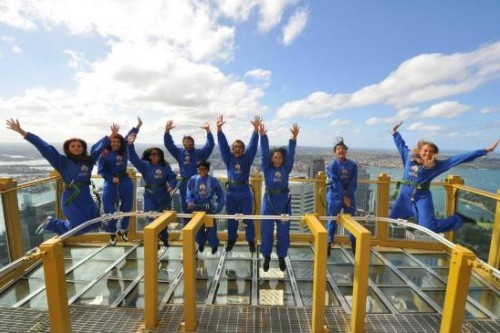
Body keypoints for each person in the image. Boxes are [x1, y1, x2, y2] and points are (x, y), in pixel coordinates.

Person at [6, 118, 115, 235]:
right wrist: (22, 131)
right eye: (72, 146)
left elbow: (98, 149)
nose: (76, 147)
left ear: (83, 148)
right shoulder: (61, 161)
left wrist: (112, 135)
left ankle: (102, 225)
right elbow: (44, 147)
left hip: (86, 197)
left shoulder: (88, 160)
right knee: (78, 229)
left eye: (79, 146)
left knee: (93, 224)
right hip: (71, 198)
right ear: (67, 149)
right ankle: (50, 223)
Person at [389, 121, 499, 233]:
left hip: (422, 197)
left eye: (431, 152)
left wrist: (485, 151)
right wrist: (394, 133)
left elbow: (459, 158)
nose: (427, 154)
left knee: (428, 228)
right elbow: (401, 145)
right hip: (404, 196)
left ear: (434, 154)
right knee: (391, 220)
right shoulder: (408, 157)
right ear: (419, 150)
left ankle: (457, 219)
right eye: (425, 151)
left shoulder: (436, 166)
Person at [217, 115, 262, 253]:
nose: (237, 149)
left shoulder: (247, 158)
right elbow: (223, 146)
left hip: (244, 191)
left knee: (247, 217)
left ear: (243, 149)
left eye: (240, 147)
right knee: (231, 218)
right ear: (232, 149)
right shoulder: (228, 158)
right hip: (231, 191)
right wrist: (219, 130)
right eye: (235, 147)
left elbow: (253, 147)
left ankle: (250, 240)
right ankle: (231, 239)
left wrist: (255, 131)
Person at [258, 122, 299, 272]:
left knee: (283, 232)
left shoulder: (285, 168)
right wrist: (263, 137)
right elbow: (263, 152)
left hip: (283, 202)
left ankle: (281, 256)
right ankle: (267, 257)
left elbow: (291, 154)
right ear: (271, 158)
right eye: (275, 157)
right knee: (267, 230)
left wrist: (293, 139)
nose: (277, 159)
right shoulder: (267, 168)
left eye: (280, 158)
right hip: (269, 202)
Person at [127, 131, 177, 247]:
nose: (156, 157)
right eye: (153, 154)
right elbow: (133, 158)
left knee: (163, 218)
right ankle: (155, 239)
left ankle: (164, 237)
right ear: (149, 155)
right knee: (151, 217)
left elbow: (172, 177)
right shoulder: (144, 165)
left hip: (163, 194)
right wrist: (130, 145)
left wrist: (172, 186)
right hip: (150, 194)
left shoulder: (165, 166)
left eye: (158, 155)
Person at [98, 117, 142, 245]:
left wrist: (138, 126)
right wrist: (111, 178)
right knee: (109, 208)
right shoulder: (105, 154)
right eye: (113, 142)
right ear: (110, 143)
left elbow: (129, 136)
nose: (116, 144)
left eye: (118, 142)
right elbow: (101, 170)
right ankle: (112, 232)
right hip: (110, 183)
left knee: (127, 207)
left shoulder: (125, 151)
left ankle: (123, 230)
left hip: (125, 181)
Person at [163, 120, 214, 223]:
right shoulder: (179, 152)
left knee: (199, 207)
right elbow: (169, 144)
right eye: (185, 143)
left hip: (198, 183)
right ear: (183, 143)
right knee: (186, 208)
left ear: (193, 143)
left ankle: (199, 233)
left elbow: (210, 145)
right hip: (184, 183)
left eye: (190, 142)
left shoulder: (199, 153)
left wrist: (208, 131)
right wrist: (167, 132)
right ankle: (187, 231)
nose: (188, 145)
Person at [326, 137, 358, 257]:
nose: (341, 151)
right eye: (338, 149)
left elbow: (353, 182)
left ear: (346, 151)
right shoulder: (332, 165)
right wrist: (343, 196)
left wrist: (348, 195)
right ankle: (328, 243)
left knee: (352, 219)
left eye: (343, 149)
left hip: (349, 195)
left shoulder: (352, 165)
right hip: (335, 195)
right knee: (332, 219)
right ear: (335, 151)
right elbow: (335, 181)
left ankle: (354, 242)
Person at [186, 160, 225, 254]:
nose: (202, 171)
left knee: (211, 227)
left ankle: (214, 245)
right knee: (198, 228)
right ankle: (201, 243)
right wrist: (189, 201)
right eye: (199, 169)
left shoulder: (213, 180)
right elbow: (188, 192)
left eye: (204, 169)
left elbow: (221, 195)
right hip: (196, 207)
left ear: (208, 170)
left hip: (209, 207)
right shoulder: (193, 179)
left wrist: (218, 208)